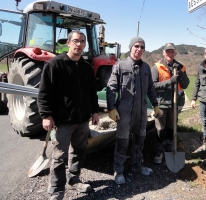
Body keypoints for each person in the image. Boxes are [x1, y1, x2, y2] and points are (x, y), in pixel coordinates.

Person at [37, 30, 100, 200]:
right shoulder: (55, 64)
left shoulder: (86, 68)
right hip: (64, 120)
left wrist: (94, 111)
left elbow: (91, 92)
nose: (79, 44)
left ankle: (74, 179)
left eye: (82, 42)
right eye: (76, 41)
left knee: (79, 152)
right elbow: (44, 93)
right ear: (68, 43)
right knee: (59, 156)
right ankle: (57, 191)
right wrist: (46, 115)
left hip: (82, 120)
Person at [106, 37, 162, 185]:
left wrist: (155, 105)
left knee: (140, 139)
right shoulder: (120, 65)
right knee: (122, 141)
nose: (139, 49)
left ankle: (137, 165)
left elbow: (151, 89)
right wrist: (111, 108)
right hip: (124, 110)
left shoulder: (146, 68)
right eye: (136, 46)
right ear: (131, 47)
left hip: (141, 111)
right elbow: (111, 88)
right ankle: (119, 170)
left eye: (142, 47)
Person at [151, 43, 190, 164]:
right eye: (167, 51)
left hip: (175, 104)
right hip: (161, 104)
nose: (170, 53)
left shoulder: (180, 66)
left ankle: (169, 149)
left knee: (171, 127)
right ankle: (159, 151)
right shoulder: (156, 67)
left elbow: (186, 84)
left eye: (172, 51)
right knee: (160, 128)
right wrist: (170, 81)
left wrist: (180, 75)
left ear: (175, 53)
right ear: (163, 53)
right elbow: (153, 86)